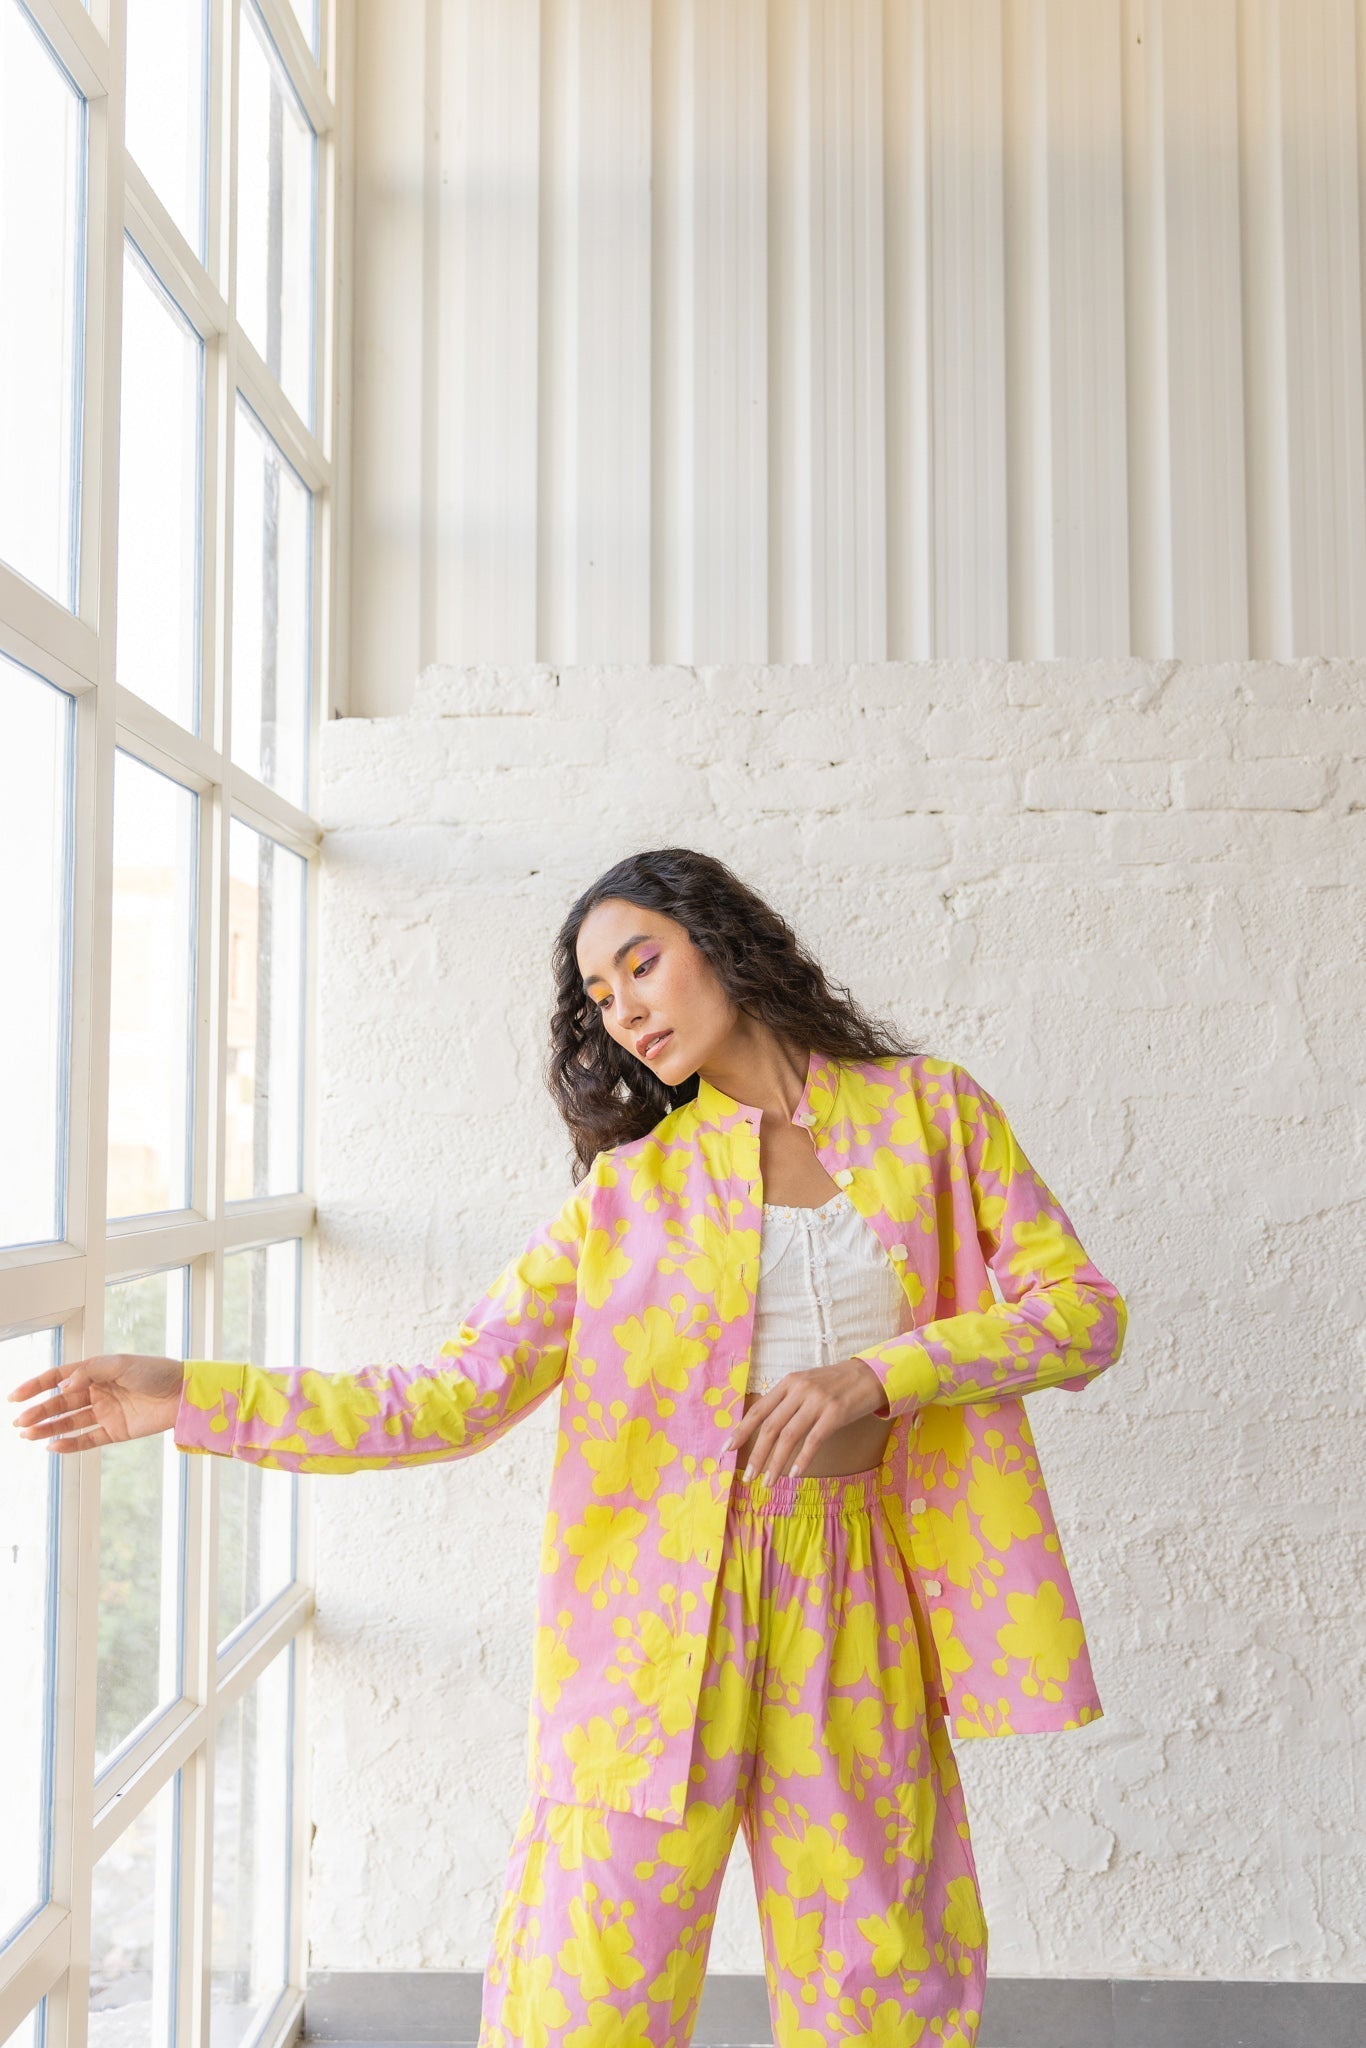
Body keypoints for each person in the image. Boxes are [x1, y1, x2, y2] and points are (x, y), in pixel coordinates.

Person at [11, 846, 1128, 2048]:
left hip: (855, 1585)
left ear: (726, 942)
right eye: (599, 994)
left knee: (883, 1977)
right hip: (656, 1616)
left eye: (641, 963)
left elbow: (1081, 1314)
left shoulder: (934, 1113)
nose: (625, 1007)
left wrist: (880, 1372)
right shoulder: (630, 1194)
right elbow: (449, 1396)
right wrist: (192, 1392)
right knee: (586, 1991)